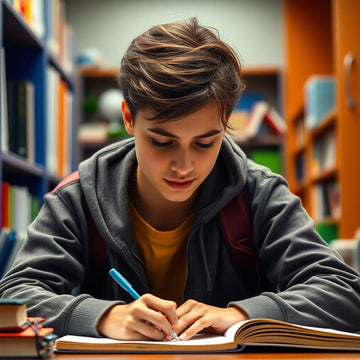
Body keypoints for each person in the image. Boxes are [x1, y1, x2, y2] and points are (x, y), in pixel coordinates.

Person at [1, 17, 360, 341]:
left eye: (206, 142)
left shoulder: (259, 193)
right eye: (162, 141)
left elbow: (344, 292)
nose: (184, 166)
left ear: (226, 124)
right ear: (128, 117)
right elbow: (13, 295)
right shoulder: (79, 196)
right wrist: (105, 316)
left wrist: (240, 315)